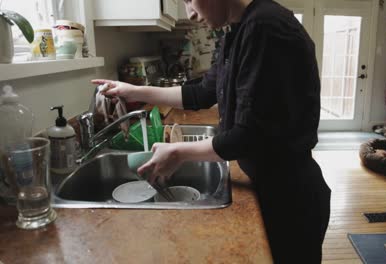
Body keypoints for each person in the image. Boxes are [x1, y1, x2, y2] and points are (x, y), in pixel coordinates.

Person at [92, 0, 331, 262]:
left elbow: (248, 137)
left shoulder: (265, 28)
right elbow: (202, 93)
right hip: (270, 188)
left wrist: (178, 153)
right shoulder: (238, 31)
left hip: (289, 201)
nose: (190, 13)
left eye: (190, 0)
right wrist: (132, 90)